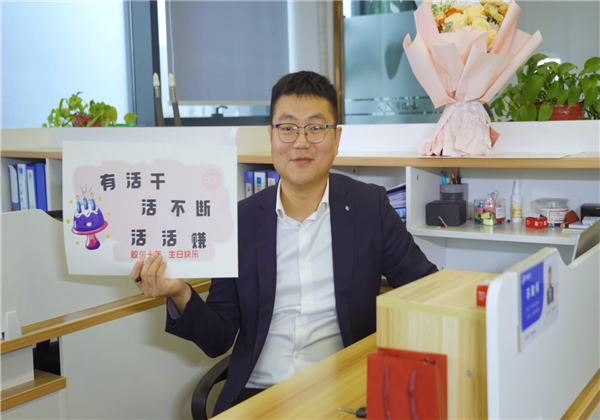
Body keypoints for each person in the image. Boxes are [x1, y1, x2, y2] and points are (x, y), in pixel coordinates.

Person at [131, 71, 437, 416]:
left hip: (343, 393)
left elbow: (426, 288)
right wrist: (179, 293)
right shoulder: (240, 220)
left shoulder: (370, 207)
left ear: (336, 138)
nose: (301, 142)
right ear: (271, 136)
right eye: (288, 128)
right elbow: (218, 338)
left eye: (316, 127)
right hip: (258, 395)